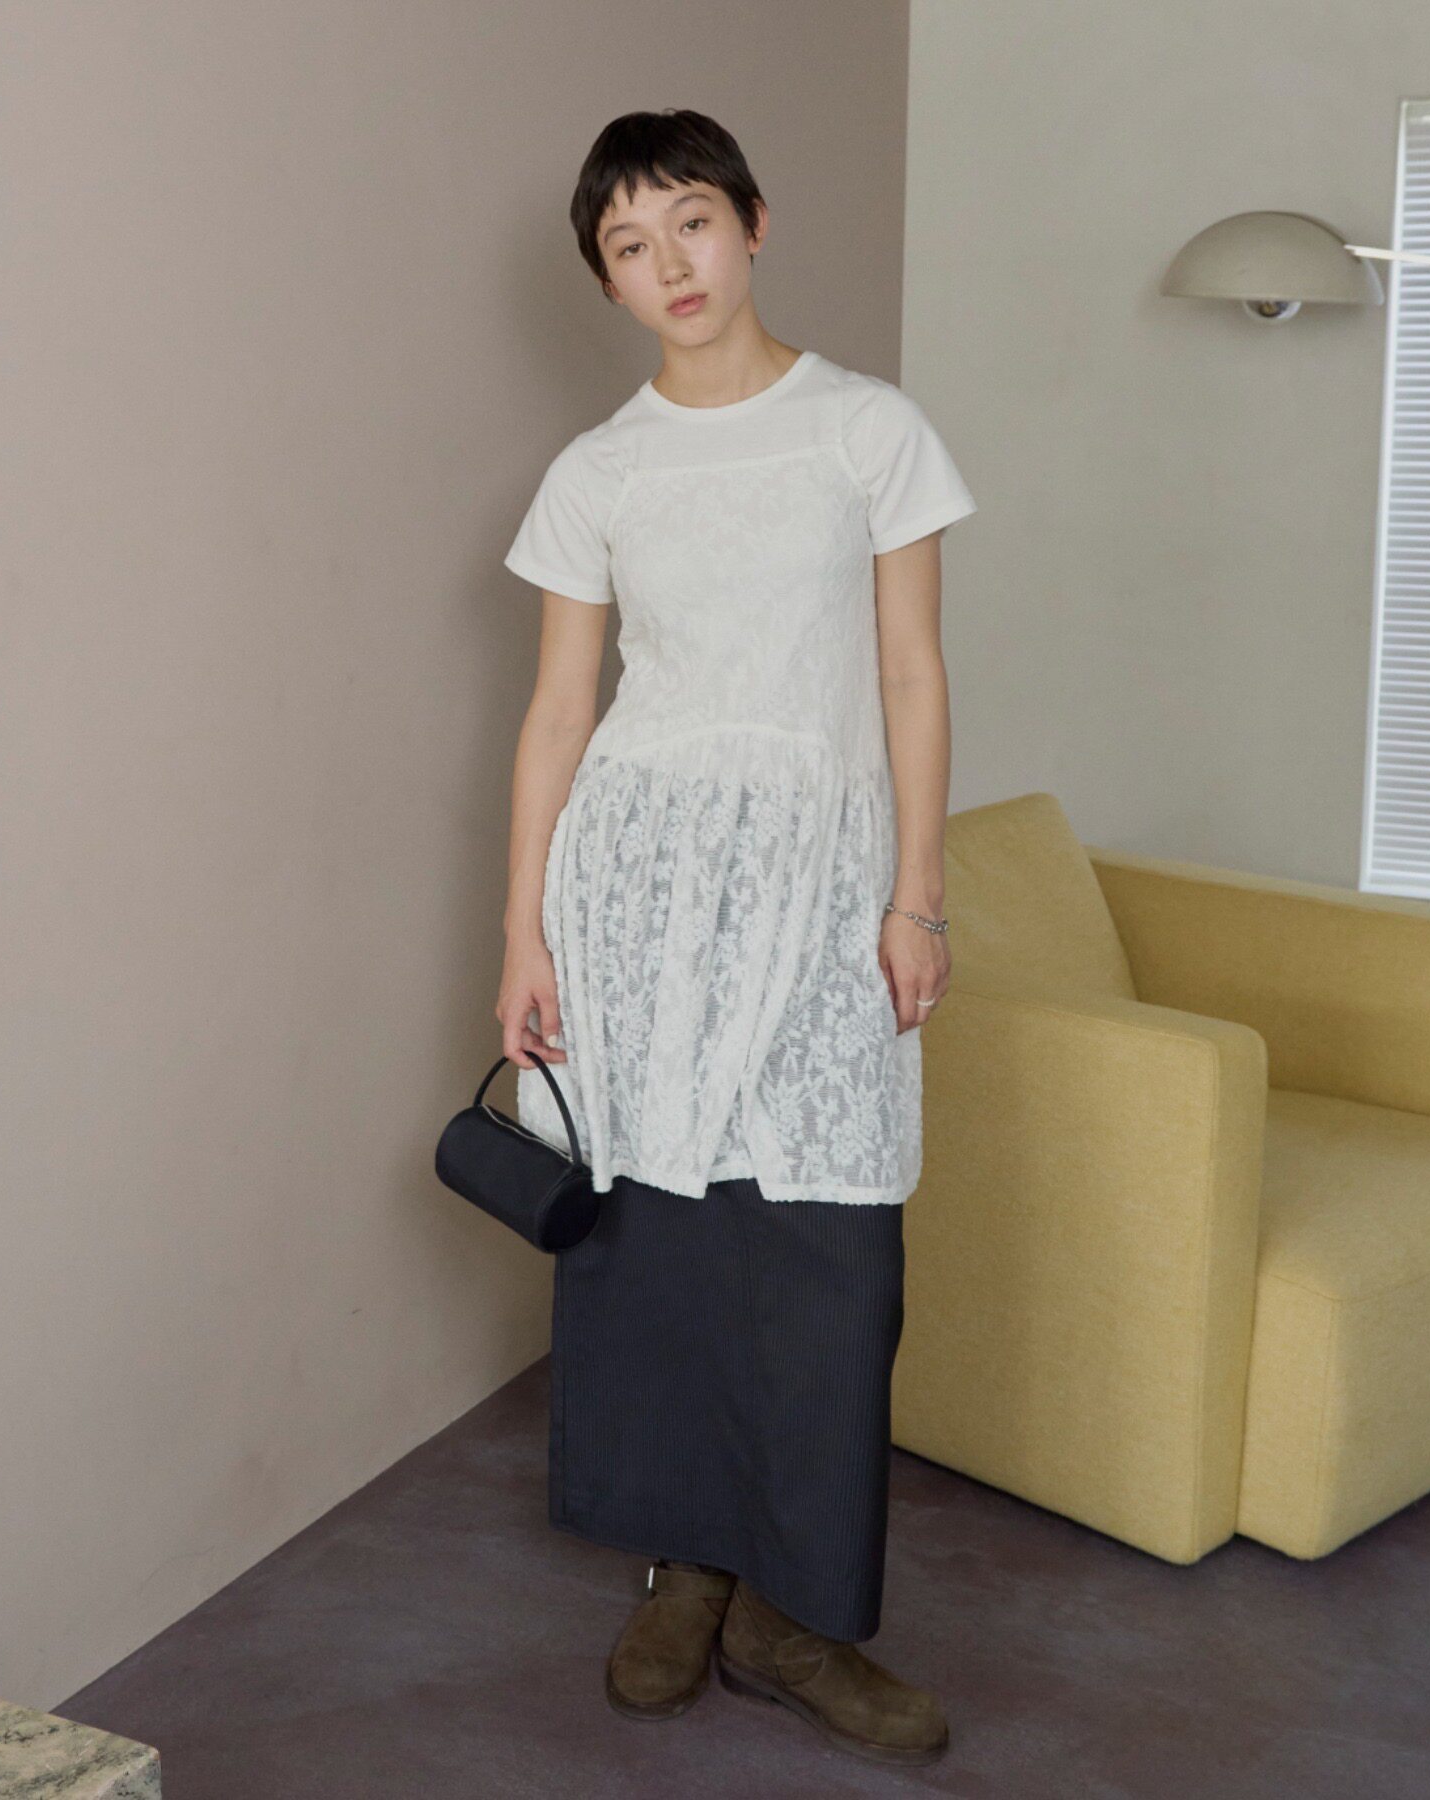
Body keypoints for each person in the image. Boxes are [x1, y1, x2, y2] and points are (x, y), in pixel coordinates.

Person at [496, 108, 975, 1769]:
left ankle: (794, 1614)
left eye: (689, 222)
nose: (669, 266)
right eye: (628, 247)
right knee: (656, 1248)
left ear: (753, 223)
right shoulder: (599, 471)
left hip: (828, 891)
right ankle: (683, 1573)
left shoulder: (869, 431)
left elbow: (910, 672)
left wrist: (916, 894)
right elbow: (560, 713)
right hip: (636, 898)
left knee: (830, 1257)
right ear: (609, 284)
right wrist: (523, 936)